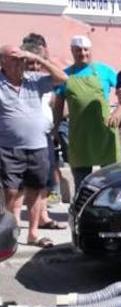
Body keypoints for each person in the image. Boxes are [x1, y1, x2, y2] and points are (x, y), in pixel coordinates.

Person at [0, 44, 67, 248]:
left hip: (38, 146)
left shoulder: (34, 80)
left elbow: (63, 78)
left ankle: (33, 234)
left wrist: (37, 58)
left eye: (22, 58)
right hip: (8, 148)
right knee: (12, 192)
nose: (20, 62)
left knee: (37, 190)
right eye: (14, 58)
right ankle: (11, 234)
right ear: (2, 61)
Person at [53, 35, 121, 189]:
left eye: (86, 50)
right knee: (82, 182)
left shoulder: (104, 71)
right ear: (72, 51)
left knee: (111, 180)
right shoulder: (65, 75)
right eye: (78, 50)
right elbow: (58, 105)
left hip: (105, 131)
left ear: (91, 51)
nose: (83, 53)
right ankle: (80, 210)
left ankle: (110, 210)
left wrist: (119, 110)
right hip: (79, 134)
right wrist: (56, 128)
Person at [20, 35, 66, 230]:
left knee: (43, 181)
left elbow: (62, 79)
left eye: (36, 64)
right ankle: (17, 224)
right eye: (30, 64)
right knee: (21, 186)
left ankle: (43, 217)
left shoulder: (43, 80)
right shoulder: (17, 80)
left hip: (43, 135)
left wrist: (42, 61)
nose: (34, 68)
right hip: (20, 139)